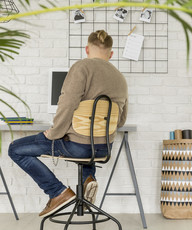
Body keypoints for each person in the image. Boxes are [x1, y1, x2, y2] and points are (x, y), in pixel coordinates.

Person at [8, 30, 128, 218]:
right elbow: (120, 120)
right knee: (86, 144)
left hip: (77, 147)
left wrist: (54, 132)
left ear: (87, 49)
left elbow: (67, 104)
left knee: (15, 148)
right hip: (104, 148)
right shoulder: (120, 78)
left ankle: (57, 192)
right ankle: (88, 178)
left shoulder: (82, 67)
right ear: (111, 54)